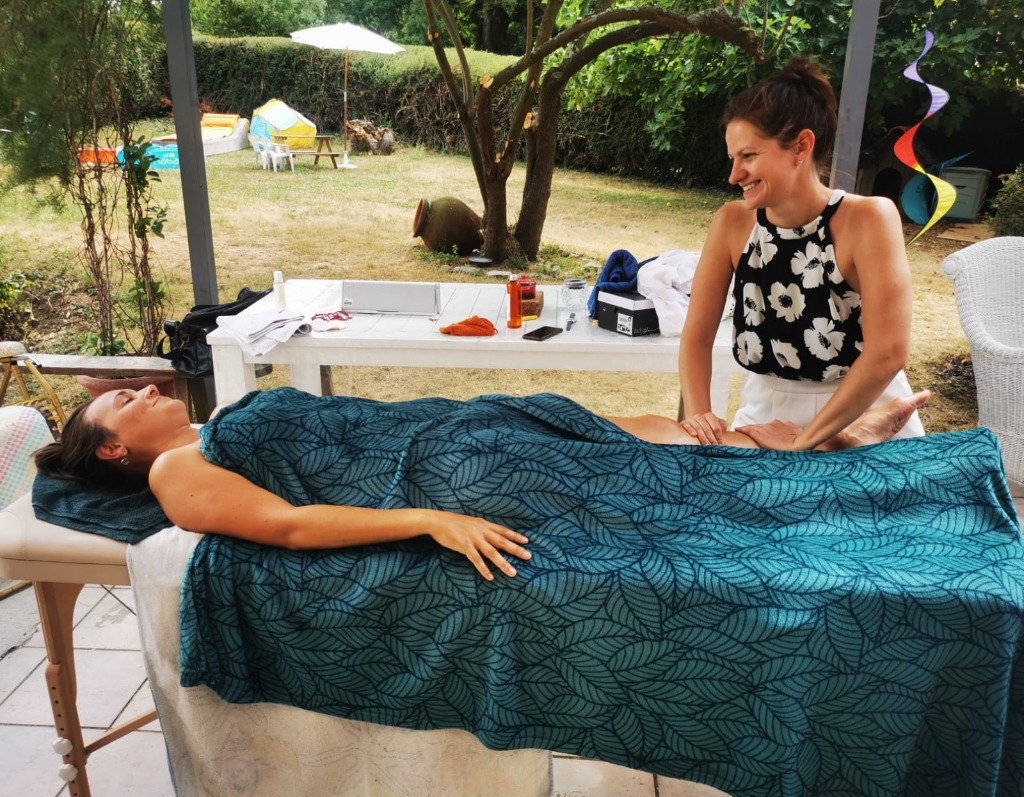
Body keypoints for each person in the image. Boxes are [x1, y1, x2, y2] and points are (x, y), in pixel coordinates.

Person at [34, 384, 928, 580]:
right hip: (441, 465)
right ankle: (844, 475)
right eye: (125, 400)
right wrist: (432, 519)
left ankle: (841, 448)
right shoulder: (181, 470)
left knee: (655, 436)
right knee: (652, 468)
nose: (147, 388)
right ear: (115, 451)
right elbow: (291, 526)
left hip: (451, 424)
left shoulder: (210, 424)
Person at [678, 55, 925, 452]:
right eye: (732, 158)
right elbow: (696, 337)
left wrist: (806, 442)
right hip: (766, 410)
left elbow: (888, 353)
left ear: (802, 146)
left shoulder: (868, 219)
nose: (734, 175)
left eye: (749, 156)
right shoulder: (732, 223)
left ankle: (841, 441)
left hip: (862, 405)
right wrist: (700, 416)